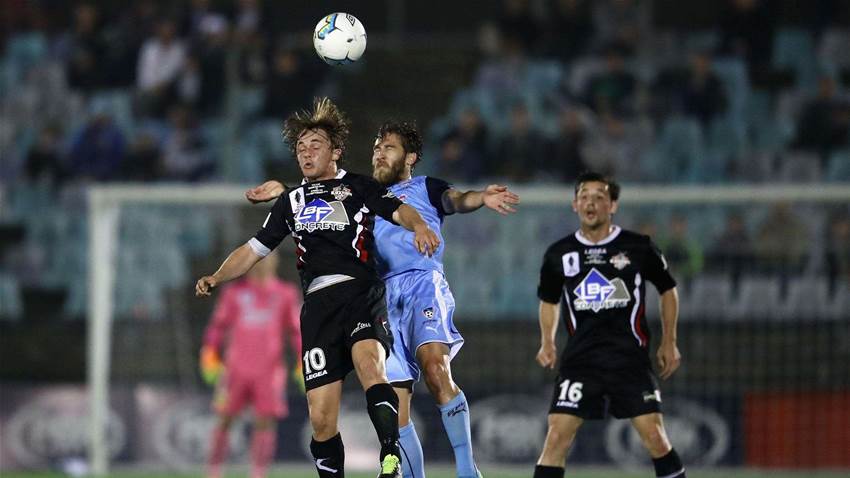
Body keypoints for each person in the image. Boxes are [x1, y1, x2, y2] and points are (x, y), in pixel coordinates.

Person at [246, 120, 521, 478]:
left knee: (436, 369)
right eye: (376, 146)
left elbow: (455, 200)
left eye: (388, 147)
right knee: (395, 400)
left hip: (422, 283)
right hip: (378, 295)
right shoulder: (363, 191)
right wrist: (285, 189)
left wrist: (480, 197)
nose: (378, 152)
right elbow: (323, 199)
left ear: (410, 157)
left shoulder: (425, 187)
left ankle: (468, 471)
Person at [196, 97, 440, 478]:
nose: (306, 153)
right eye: (300, 148)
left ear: (336, 152)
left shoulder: (360, 186)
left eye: (315, 146)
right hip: (318, 306)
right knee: (321, 419)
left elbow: (397, 210)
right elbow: (254, 249)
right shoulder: (290, 201)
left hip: (361, 292)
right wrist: (216, 276)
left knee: (370, 366)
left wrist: (420, 225)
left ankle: (390, 455)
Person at [533, 172, 686, 478]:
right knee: (556, 439)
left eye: (599, 197)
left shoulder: (638, 246)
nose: (591, 202)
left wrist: (669, 341)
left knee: (656, 438)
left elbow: (668, 289)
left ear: (612, 205)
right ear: (575, 205)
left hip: (628, 360)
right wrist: (547, 342)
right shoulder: (559, 253)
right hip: (581, 361)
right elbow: (549, 300)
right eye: (584, 196)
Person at [200, 251, 302, 478]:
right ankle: (214, 470)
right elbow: (217, 326)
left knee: (265, 422)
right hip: (235, 369)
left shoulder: (285, 294)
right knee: (225, 418)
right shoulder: (234, 293)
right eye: (257, 259)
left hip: (269, 371)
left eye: (266, 259)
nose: (261, 263)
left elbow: (296, 332)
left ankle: (258, 473)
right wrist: (210, 354)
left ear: (275, 261)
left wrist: (302, 360)